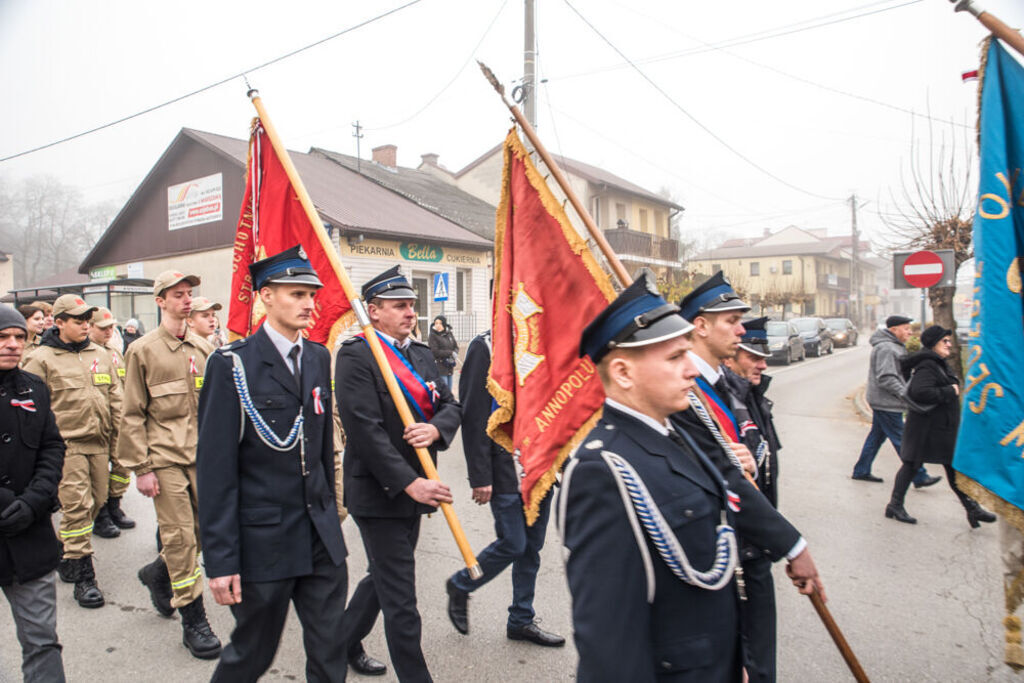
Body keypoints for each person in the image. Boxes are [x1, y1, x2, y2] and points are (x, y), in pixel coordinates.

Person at [560, 275, 823, 682]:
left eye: (688, 354)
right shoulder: (602, 470)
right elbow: (608, 646)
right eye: (674, 358)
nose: (690, 370)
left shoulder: (675, 432)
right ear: (623, 373)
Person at [198, 246, 349, 681]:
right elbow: (215, 471)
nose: (309, 304)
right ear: (266, 295)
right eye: (297, 294)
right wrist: (221, 560)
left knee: (329, 652)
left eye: (311, 295)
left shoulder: (319, 356)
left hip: (319, 536)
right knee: (251, 655)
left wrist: (332, 513)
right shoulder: (233, 365)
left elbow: (322, 449)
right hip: (264, 540)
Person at [674, 274, 824, 683]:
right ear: (700, 326)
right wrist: (791, 544)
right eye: (732, 321)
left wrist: (753, 466)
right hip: (726, 555)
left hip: (753, 545)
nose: (742, 330)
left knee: (760, 666)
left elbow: (755, 456)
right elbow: (716, 474)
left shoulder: (729, 384)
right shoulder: (686, 391)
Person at [338, 266, 462, 681]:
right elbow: (364, 430)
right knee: (401, 598)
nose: (411, 312)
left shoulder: (422, 353)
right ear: (373, 311)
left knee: (383, 578)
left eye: (412, 305)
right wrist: (410, 483)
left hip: (417, 490)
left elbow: (451, 405)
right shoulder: (357, 355)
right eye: (400, 306)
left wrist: (436, 428)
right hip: (381, 493)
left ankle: (339, 643)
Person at [117, 270, 221, 659]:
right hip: (163, 460)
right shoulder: (142, 350)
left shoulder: (203, 349)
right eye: (178, 295)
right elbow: (131, 413)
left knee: (198, 533)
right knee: (179, 537)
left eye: (189, 294)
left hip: (202, 458)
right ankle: (193, 619)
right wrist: (141, 468)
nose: (187, 300)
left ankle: (157, 573)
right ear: (160, 301)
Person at [444, 329, 565, 647]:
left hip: (540, 467)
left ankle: (520, 619)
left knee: (531, 548)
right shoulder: (484, 347)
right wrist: (480, 475)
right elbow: (473, 415)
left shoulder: (539, 340)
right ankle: (461, 584)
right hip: (505, 468)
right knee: (513, 543)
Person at [22, 295, 121, 610]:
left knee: (98, 503)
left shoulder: (101, 355)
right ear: (59, 322)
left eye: (86, 320)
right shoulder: (41, 359)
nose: (84, 325)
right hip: (67, 446)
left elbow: (116, 400)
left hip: (100, 442)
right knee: (77, 509)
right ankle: (84, 578)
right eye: (78, 320)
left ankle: (67, 552)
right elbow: (30, 410)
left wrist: (121, 440)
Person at [0, 305, 67, 682]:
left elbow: (51, 448)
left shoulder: (34, 388)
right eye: (3, 338)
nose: (13, 345)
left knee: (42, 642)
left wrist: (34, 501)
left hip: (30, 536)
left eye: (19, 337)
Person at [885, 325, 997, 527]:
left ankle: (972, 509)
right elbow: (919, 392)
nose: (949, 344)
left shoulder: (937, 362)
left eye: (948, 340)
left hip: (938, 427)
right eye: (944, 341)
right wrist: (949, 390)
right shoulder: (928, 364)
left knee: (951, 467)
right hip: (926, 428)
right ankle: (895, 505)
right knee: (912, 465)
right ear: (933, 343)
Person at [851, 315, 940, 487]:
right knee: (903, 440)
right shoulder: (887, 348)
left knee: (876, 437)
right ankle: (919, 475)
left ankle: (861, 470)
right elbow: (886, 378)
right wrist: (905, 394)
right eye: (906, 328)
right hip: (887, 403)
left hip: (884, 401)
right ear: (894, 330)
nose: (910, 332)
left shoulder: (893, 346)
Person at [722, 317, 780, 507]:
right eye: (754, 358)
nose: (763, 366)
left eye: (763, 359)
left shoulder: (756, 397)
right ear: (729, 360)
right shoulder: (724, 402)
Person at [88, 307, 135, 536]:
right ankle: (101, 513)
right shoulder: (88, 353)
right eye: (103, 328)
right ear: (90, 327)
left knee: (122, 465)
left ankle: (115, 504)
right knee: (98, 472)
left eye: (111, 327)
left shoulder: (114, 351)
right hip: (98, 421)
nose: (109, 331)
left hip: (120, 417)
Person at [427, 315, 458, 390]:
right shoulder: (433, 335)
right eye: (436, 323)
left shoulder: (449, 334)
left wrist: (454, 354)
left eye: (440, 323)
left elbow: (455, 346)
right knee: (444, 390)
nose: (437, 325)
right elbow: (435, 351)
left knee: (449, 389)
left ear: (444, 324)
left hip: (449, 366)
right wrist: (450, 353)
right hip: (440, 367)